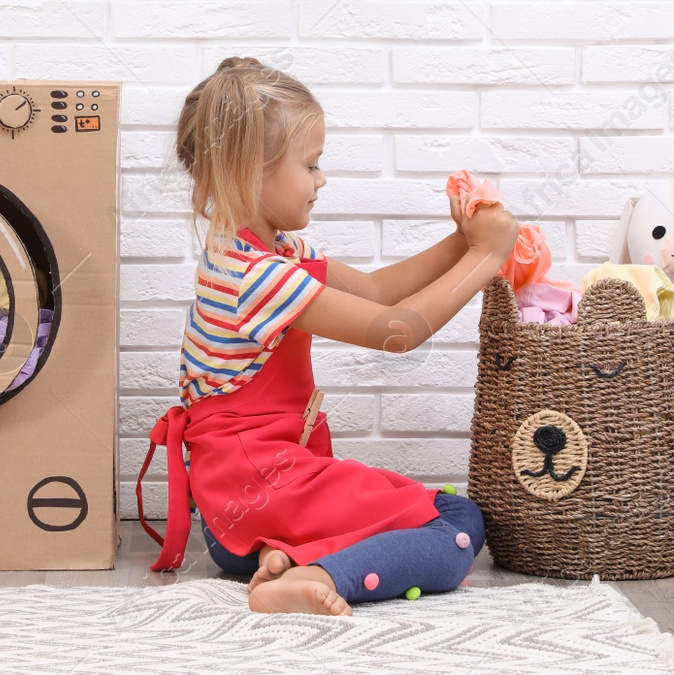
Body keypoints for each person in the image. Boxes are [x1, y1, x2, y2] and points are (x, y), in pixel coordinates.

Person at [137, 57, 519, 615]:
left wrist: (462, 240)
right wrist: (488, 257)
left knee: (408, 508)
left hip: (244, 507)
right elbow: (400, 331)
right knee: (458, 524)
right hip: (260, 489)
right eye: (311, 165)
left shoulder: (268, 252)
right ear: (250, 170)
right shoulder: (256, 276)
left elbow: (376, 291)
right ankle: (318, 575)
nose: (322, 180)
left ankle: (283, 561)